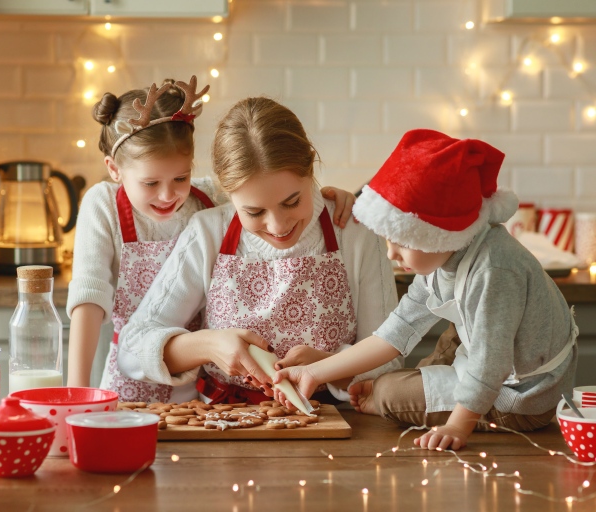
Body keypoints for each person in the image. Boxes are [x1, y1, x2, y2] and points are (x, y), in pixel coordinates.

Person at [273, 129, 579, 451]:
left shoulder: (492, 271)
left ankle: (389, 397)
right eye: (388, 240)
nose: (391, 254)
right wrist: (314, 371)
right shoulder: (446, 252)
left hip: (523, 394)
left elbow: (491, 363)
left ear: (438, 234)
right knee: (442, 344)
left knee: (392, 392)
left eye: (402, 242)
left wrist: (457, 427)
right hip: (488, 356)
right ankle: (403, 391)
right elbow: (394, 332)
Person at [66, 83, 357, 403]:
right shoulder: (104, 203)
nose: (168, 195)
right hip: (133, 374)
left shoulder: (210, 200)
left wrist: (322, 196)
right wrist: (74, 394)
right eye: (150, 183)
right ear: (114, 170)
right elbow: (89, 299)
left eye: (181, 178)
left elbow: (262, 184)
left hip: (196, 385)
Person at [116, 97, 401, 405]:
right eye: (253, 212)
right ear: (227, 193)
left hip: (336, 424)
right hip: (224, 425)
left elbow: (389, 361)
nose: (278, 226)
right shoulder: (209, 231)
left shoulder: (354, 230)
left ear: (311, 168)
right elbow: (131, 353)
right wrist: (208, 345)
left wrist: (328, 366)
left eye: (292, 202)